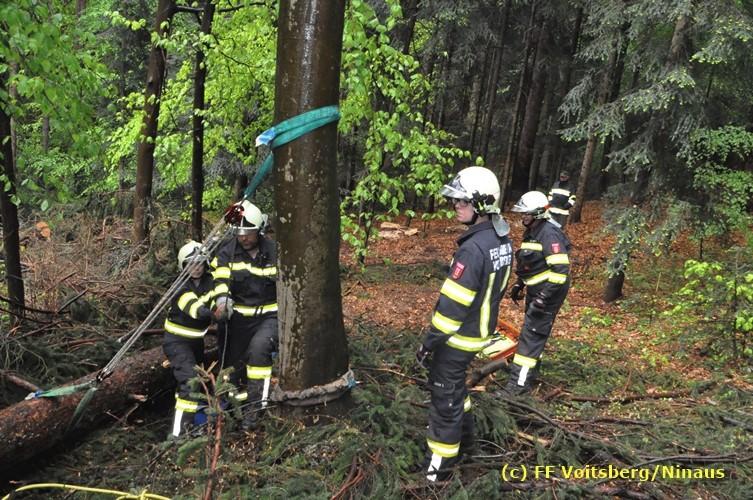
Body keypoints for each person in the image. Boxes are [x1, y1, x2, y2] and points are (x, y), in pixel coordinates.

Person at [415, 166, 513, 482]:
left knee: (444, 399)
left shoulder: (472, 250)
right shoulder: (501, 238)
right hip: (479, 333)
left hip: (459, 338)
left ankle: (437, 473)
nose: (456, 206)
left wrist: (429, 344)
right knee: (457, 388)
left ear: (482, 204)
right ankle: (468, 443)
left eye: (463, 201)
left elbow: (451, 309)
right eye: (456, 200)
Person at [211, 200, 277, 431]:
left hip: (269, 317)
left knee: (259, 351)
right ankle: (232, 412)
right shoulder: (227, 251)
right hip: (238, 320)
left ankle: (256, 410)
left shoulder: (274, 252)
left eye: (248, 233)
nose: (243, 238)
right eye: (239, 233)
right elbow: (220, 280)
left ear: (259, 230)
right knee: (232, 367)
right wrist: (222, 301)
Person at [503, 190, 571, 396]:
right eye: (522, 213)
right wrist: (520, 284)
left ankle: (517, 387)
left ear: (539, 213)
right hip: (537, 291)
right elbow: (531, 264)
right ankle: (529, 376)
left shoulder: (549, 234)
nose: (523, 217)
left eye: (527, 213)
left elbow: (560, 271)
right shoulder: (533, 231)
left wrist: (543, 298)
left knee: (531, 337)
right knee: (532, 333)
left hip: (548, 293)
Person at [163, 240, 215, 438]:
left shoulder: (210, 281)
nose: (196, 268)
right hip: (177, 342)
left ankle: (192, 424)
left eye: (200, 263)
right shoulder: (179, 286)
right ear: (183, 265)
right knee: (190, 382)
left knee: (193, 385)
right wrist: (215, 313)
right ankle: (179, 436)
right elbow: (195, 309)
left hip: (196, 343)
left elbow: (220, 291)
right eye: (191, 264)